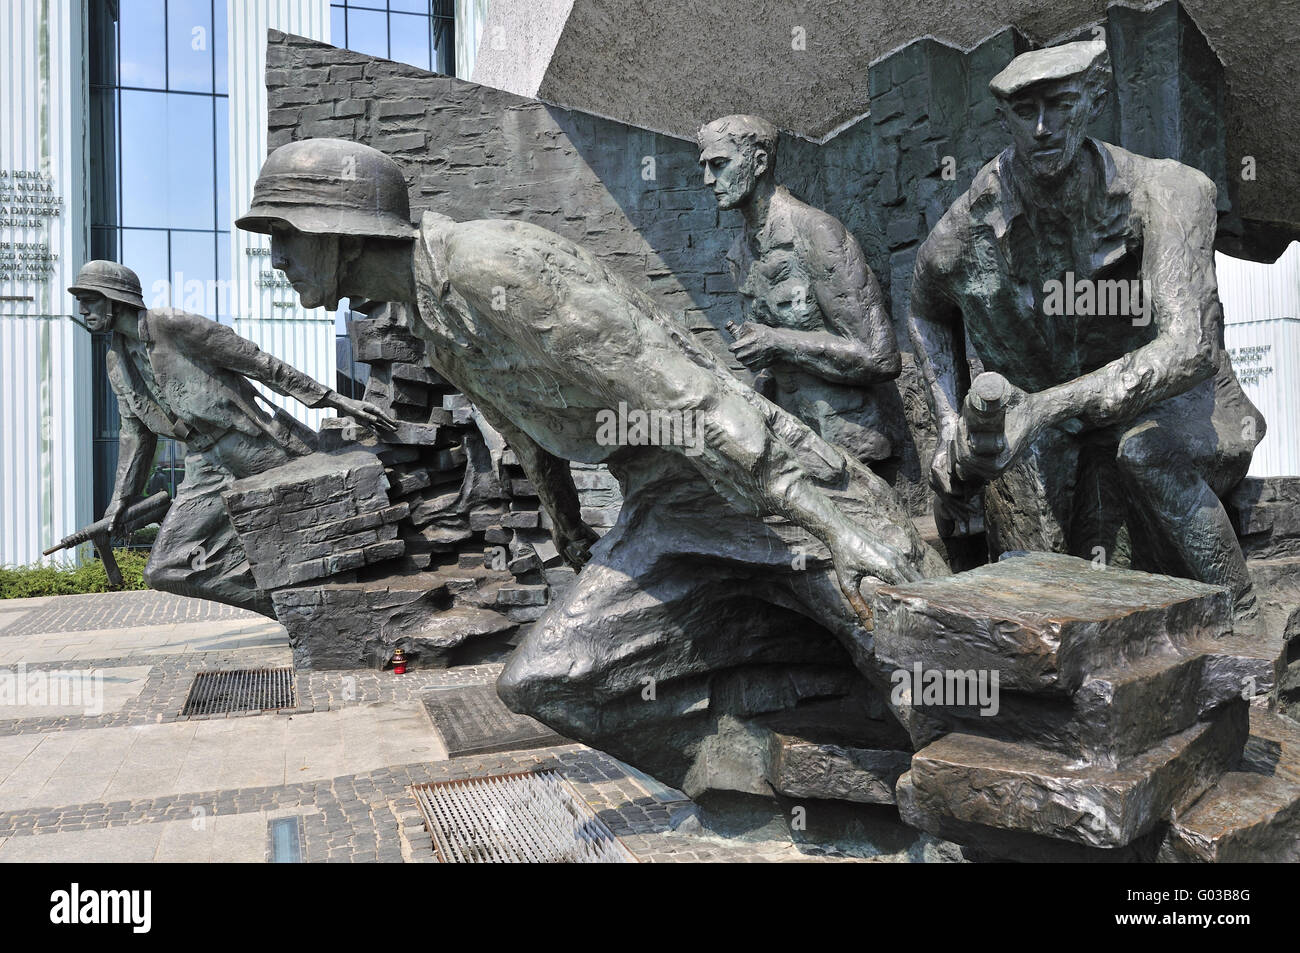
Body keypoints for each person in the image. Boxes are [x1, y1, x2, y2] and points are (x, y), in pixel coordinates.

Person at [238, 138, 948, 787]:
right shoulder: (432, 320)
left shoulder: (492, 267)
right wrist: (566, 525)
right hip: (659, 499)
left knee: (932, 674)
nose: (278, 261)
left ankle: (938, 787)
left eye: (283, 239)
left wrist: (832, 525)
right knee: (547, 680)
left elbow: (689, 392)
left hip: (751, 482)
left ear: (339, 236)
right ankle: (784, 771)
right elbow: (522, 427)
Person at [908, 39, 1264, 617]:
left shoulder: (1170, 191)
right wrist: (949, 422)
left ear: (1094, 100)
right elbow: (924, 307)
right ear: (1006, 120)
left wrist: (1045, 407)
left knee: (1145, 453)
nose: (1044, 128)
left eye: (1061, 105)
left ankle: (1242, 610)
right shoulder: (975, 217)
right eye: (1026, 113)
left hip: (1179, 406)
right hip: (1062, 424)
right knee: (1032, 559)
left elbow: (1190, 347)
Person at [69, 260, 394, 615]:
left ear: (116, 300)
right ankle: (294, 610)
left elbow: (258, 363)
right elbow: (134, 435)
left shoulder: (172, 324)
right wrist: (120, 500)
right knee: (164, 569)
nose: (82, 309)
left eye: (90, 299)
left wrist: (335, 400)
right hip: (203, 465)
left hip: (253, 446)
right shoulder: (116, 362)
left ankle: (332, 604)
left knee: (306, 532)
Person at [698, 114, 906, 478]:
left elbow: (880, 356)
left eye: (719, 165)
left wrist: (777, 342)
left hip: (853, 450)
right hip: (795, 450)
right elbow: (770, 362)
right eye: (705, 167)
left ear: (759, 162)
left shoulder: (817, 231)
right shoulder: (739, 254)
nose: (707, 180)